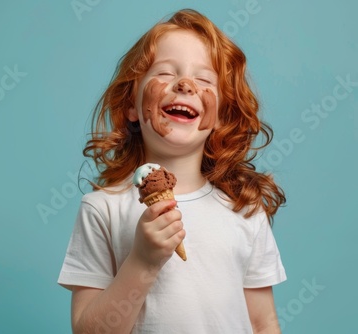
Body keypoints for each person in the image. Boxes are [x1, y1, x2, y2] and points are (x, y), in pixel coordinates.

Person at [58, 8, 287, 334]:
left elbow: (264, 323)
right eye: (165, 73)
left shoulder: (244, 209)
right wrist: (142, 261)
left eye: (205, 79)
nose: (184, 84)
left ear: (222, 114)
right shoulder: (103, 209)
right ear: (131, 105)